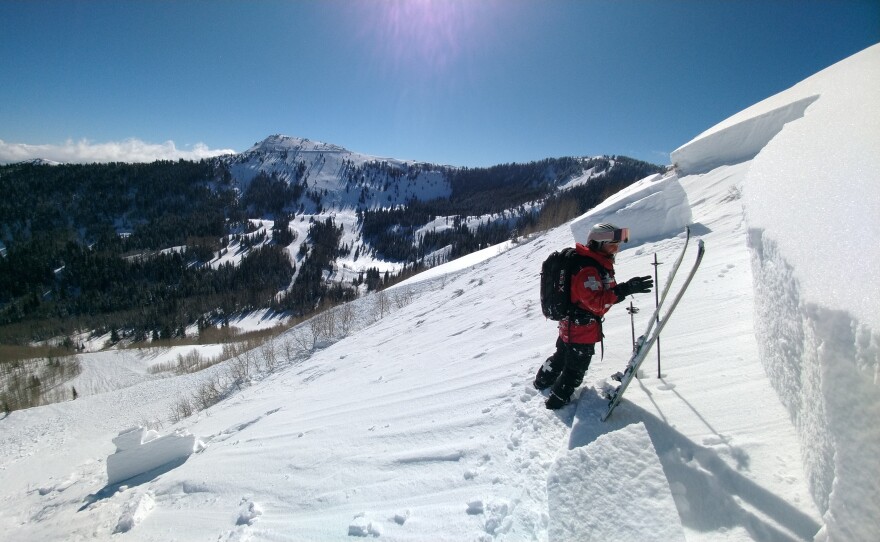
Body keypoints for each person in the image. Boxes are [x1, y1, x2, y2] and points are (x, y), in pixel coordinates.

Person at [534, 223, 653, 409]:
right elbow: (597, 303)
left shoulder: (592, 262)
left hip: (571, 326)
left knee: (561, 357)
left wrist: (622, 290)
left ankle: (541, 382)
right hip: (581, 331)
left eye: (618, 244)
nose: (616, 249)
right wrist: (626, 289)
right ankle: (555, 403)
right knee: (574, 371)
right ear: (598, 244)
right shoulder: (587, 269)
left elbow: (599, 296)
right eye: (612, 245)